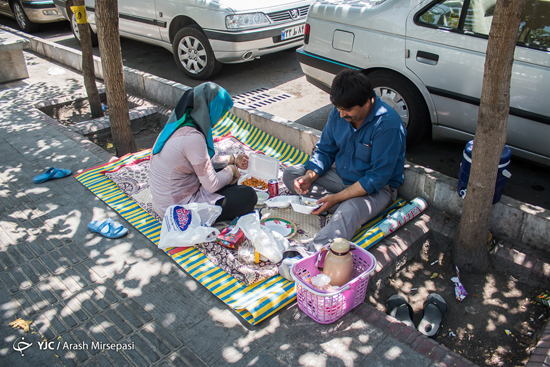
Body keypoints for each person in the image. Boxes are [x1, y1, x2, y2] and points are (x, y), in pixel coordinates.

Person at [282, 69, 406, 251]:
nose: (341, 115)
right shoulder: (338, 113)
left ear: (366, 102)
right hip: (340, 177)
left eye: (347, 110)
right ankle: (338, 205)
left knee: (348, 211)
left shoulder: (388, 124)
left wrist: (337, 198)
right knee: (292, 174)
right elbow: (325, 150)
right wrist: (309, 176)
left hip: (375, 190)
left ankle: (310, 254)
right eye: (339, 109)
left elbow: (376, 178)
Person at [149, 82, 257, 221]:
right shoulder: (192, 138)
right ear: (210, 109)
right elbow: (211, 185)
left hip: (164, 203)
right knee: (248, 196)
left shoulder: (178, 126)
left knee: (225, 174)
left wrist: (233, 159)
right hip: (179, 212)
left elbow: (201, 163)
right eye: (221, 113)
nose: (221, 119)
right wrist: (231, 170)